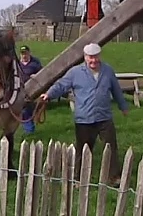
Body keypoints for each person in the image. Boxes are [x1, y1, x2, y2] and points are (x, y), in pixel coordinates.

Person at [40, 43, 128, 185]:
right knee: (83, 149)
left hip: (104, 117)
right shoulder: (75, 72)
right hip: (84, 119)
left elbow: (116, 90)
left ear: (99, 56)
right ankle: (79, 178)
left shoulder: (108, 71)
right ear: (85, 57)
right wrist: (49, 94)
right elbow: (62, 85)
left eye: (96, 57)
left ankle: (114, 177)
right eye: (90, 57)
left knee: (110, 147)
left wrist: (123, 106)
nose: (93, 60)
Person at [19, 45, 43, 134]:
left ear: (29, 53)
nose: (24, 56)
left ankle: (29, 130)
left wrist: (36, 76)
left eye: (25, 53)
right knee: (24, 110)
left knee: (29, 109)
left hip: (32, 90)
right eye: (22, 54)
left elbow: (43, 73)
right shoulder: (17, 63)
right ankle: (29, 131)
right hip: (20, 89)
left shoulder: (35, 63)